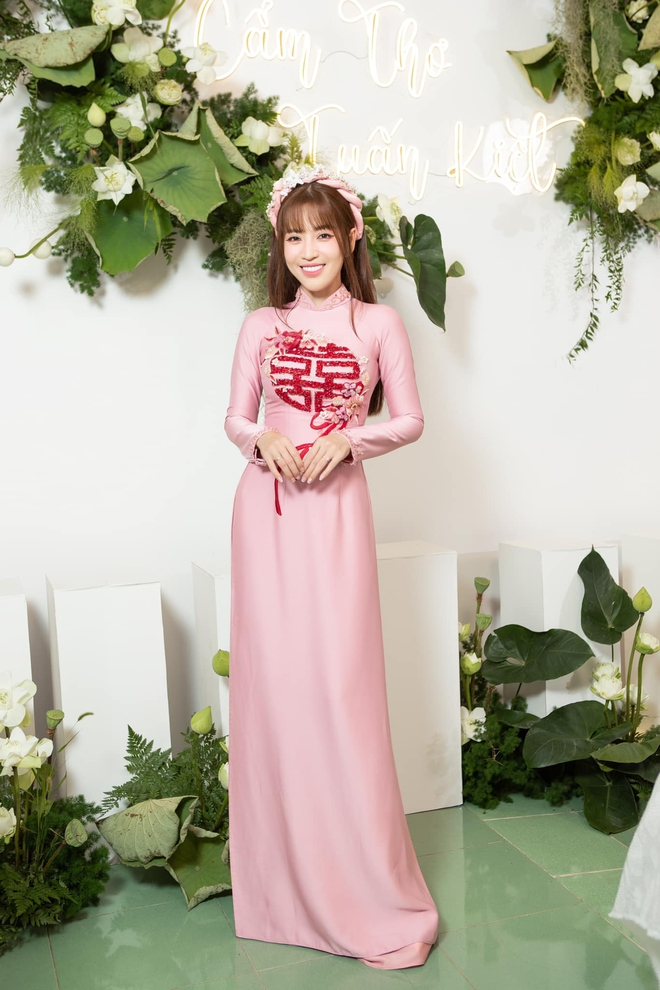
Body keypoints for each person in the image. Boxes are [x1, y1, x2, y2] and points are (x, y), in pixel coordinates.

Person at [223, 162, 440, 970]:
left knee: (340, 688)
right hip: (268, 512)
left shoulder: (379, 324)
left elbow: (410, 419)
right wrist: (261, 439)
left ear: (351, 238)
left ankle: (362, 887)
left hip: (339, 513)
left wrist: (351, 439)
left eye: (322, 234)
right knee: (277, 686)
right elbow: (235, 417)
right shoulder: (260, 325)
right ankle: (279, 896)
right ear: (280, 247)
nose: (308, 250)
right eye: (293, 237)